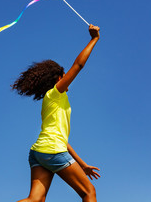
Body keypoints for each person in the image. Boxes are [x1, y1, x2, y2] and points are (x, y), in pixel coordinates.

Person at [11, 25, 101, 202]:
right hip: (51, 150)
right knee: (89, 192)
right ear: (58, 79)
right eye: (65, 75)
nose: (68, 77)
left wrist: (82, 165)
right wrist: (94, 39)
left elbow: (63, 142)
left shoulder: (51, 100)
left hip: (39, 151)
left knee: (35, 199)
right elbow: (79, 65)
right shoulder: (55, 92)